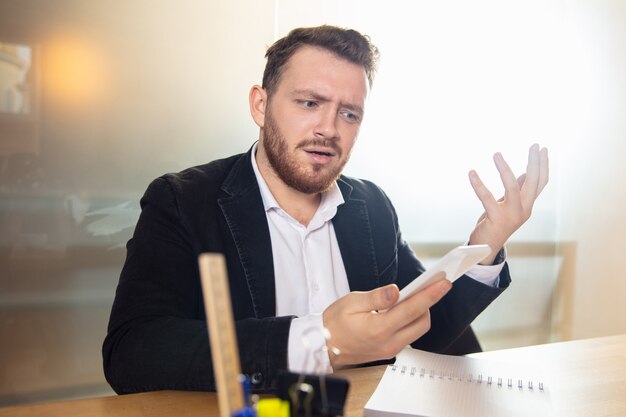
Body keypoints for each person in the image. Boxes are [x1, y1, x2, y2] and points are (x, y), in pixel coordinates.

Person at [102, 25, 548, 394]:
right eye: (309, 103)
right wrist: (322, 342)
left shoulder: (370, 208)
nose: (328, 129)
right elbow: (133, 353)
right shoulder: (183, 201)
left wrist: (484, 247)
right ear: (260, 105)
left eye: (349, 114)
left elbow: (422, 327)